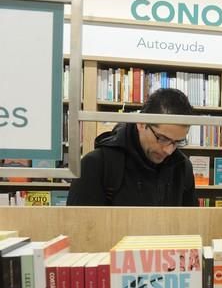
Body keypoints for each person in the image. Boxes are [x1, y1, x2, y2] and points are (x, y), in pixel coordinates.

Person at [67, 88, 198, 206]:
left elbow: (190, 227)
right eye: (162, 138)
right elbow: (78, 228)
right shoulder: (96, 165)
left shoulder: (182, 166)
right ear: (141, 123)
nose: (169, 150)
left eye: (177, 142)